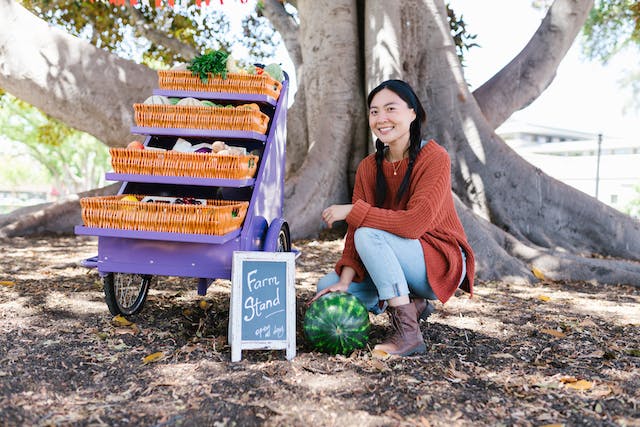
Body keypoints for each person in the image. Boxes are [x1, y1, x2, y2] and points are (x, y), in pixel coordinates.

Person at [310, 79, 475, 356]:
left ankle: (408, 333)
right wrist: (344, 278)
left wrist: (353, 211)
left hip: (438, 260)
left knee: (368, 233)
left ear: (413, 113)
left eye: (390, 109)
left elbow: (413, 225)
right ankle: (413, 304)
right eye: (374, 112)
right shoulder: (368, 167)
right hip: (393, 258)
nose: (381, 118)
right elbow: (354, 234)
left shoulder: (434, 158)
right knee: (327, 288)